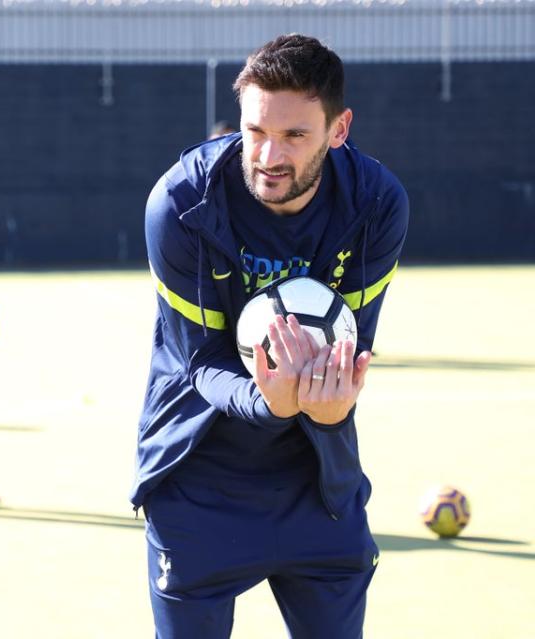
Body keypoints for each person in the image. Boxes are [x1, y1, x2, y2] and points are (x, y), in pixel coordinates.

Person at [133, 34, 409, 638]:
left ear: (339, 130)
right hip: (198, 480)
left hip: (318, 479)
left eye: (294, 136)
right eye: (256, 131)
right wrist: (266, 401)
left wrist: (332, 409)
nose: (267, 155)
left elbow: (348, 347)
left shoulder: (375, 203)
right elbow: (198, 359)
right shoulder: (182, 203)